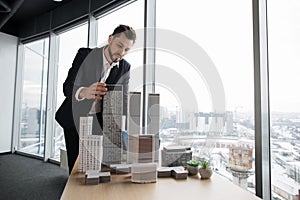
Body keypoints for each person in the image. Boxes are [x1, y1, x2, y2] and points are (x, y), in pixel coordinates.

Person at [55, 24, 136, 174]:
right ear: (110, 39)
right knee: (77, 168)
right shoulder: (85, 55)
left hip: (99, 121)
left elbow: (123, 100)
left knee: (97, 165)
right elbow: (68, 86)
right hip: (75, 118)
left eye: (126, 49)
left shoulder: (125, 67)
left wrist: (125, 129)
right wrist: (84, 91)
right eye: (119, 45)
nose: (121, 52)